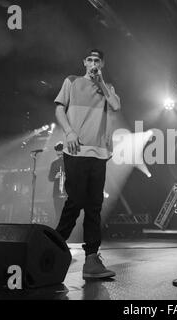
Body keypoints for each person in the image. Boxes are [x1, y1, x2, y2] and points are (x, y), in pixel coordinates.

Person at [54, 49, 121, 279]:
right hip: (76, 149)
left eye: (97, 60)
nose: (93, 63)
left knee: (94, 207)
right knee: (75, 201)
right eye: (90, 60)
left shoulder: (107, 86)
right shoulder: (71, 81)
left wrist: (101, 82)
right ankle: (53, 248)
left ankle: (91, 260)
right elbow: (59, 108)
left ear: (102, 64)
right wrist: (69, 132)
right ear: (84, 62)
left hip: (99, 153)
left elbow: (115, 106)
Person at [48, 142, 66, 226]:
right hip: (57, 194)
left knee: (67, 215)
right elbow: (50, 178)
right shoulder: (54, 163)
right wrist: (55, 176)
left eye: (61, 154)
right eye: (58, 155)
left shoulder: (69, 162)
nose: (60, 156)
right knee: (58, 215)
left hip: (67, 193)